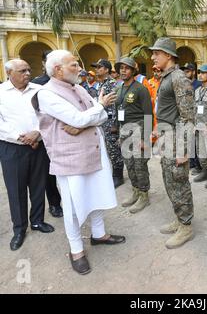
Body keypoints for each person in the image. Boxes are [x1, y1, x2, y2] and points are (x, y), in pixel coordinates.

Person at [33, 50, 125, 275]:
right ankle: (76, 251)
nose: (79, 69)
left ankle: (99, 234)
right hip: (70, 159)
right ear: (58, 69)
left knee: (96, 196)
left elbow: (99, 118)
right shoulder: (46, 93)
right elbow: (80, 117)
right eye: (73, 65)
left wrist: (84, 122)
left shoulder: (81, 88)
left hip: (94, 151)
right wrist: (94, 111)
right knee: (73, 206)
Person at [0, 59, 54, 251]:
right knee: (16, 189)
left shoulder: (37, 90)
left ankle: (37, 221)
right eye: (22, 71)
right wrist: (21, 137)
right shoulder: (1, 93)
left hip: (38, 145)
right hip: (12, 148)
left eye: (29, 70)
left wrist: (37, 133)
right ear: (9, 73)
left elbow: (46, 115)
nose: (28, 74)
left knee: (39, 185)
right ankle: (19, 229)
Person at [150, 37, 195, 249]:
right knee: (170, 181)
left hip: (176, 140)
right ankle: (179, 218)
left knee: (179, 182)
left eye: (156, 53)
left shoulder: (178, 78)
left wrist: (183, 149)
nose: (152, 57)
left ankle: (186, 225)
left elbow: (188, 116)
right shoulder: (166, 77)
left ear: (168, 55)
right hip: (166, 137)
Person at [114, 57, 153, 213]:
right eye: (121, 68)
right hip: (125, 132)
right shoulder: (120, 88)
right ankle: (135, 191)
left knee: (139, 166)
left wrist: (145, 138)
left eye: (127, 68)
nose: (123, 71)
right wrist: (118, 132)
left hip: (138, 130)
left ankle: (144, 195)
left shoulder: (140, 89)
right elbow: (118, 111)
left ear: (133, 71)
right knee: (129, 165)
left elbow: (148, 114)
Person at [32, 50, 63, 218]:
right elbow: (33, 112)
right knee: (49, 173)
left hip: (66, 133)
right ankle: (54, 204)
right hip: (46, 135)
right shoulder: (37, 84)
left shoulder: (66, 81)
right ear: (44, 63)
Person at [92, 58, 124, 188]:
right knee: (107, 149)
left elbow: (120, 105)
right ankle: (113, 173)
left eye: (99, 67)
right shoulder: (100, 84)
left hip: (111, 122)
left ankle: (118, 176)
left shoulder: (113, 84)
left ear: (106, 69)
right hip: (103, 122)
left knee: (114, 149)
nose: (96, 69)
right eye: (96, 67)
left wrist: (116, 124)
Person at [181, 63, 202, 174]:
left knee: (196, 141)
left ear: (193, 72)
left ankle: (198, 165)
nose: (186, 73)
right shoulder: (184, 84)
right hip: (186, 116)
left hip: (196, 115)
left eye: (188, 71)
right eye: (184, 71)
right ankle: (192, 162)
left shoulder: (198, 84)